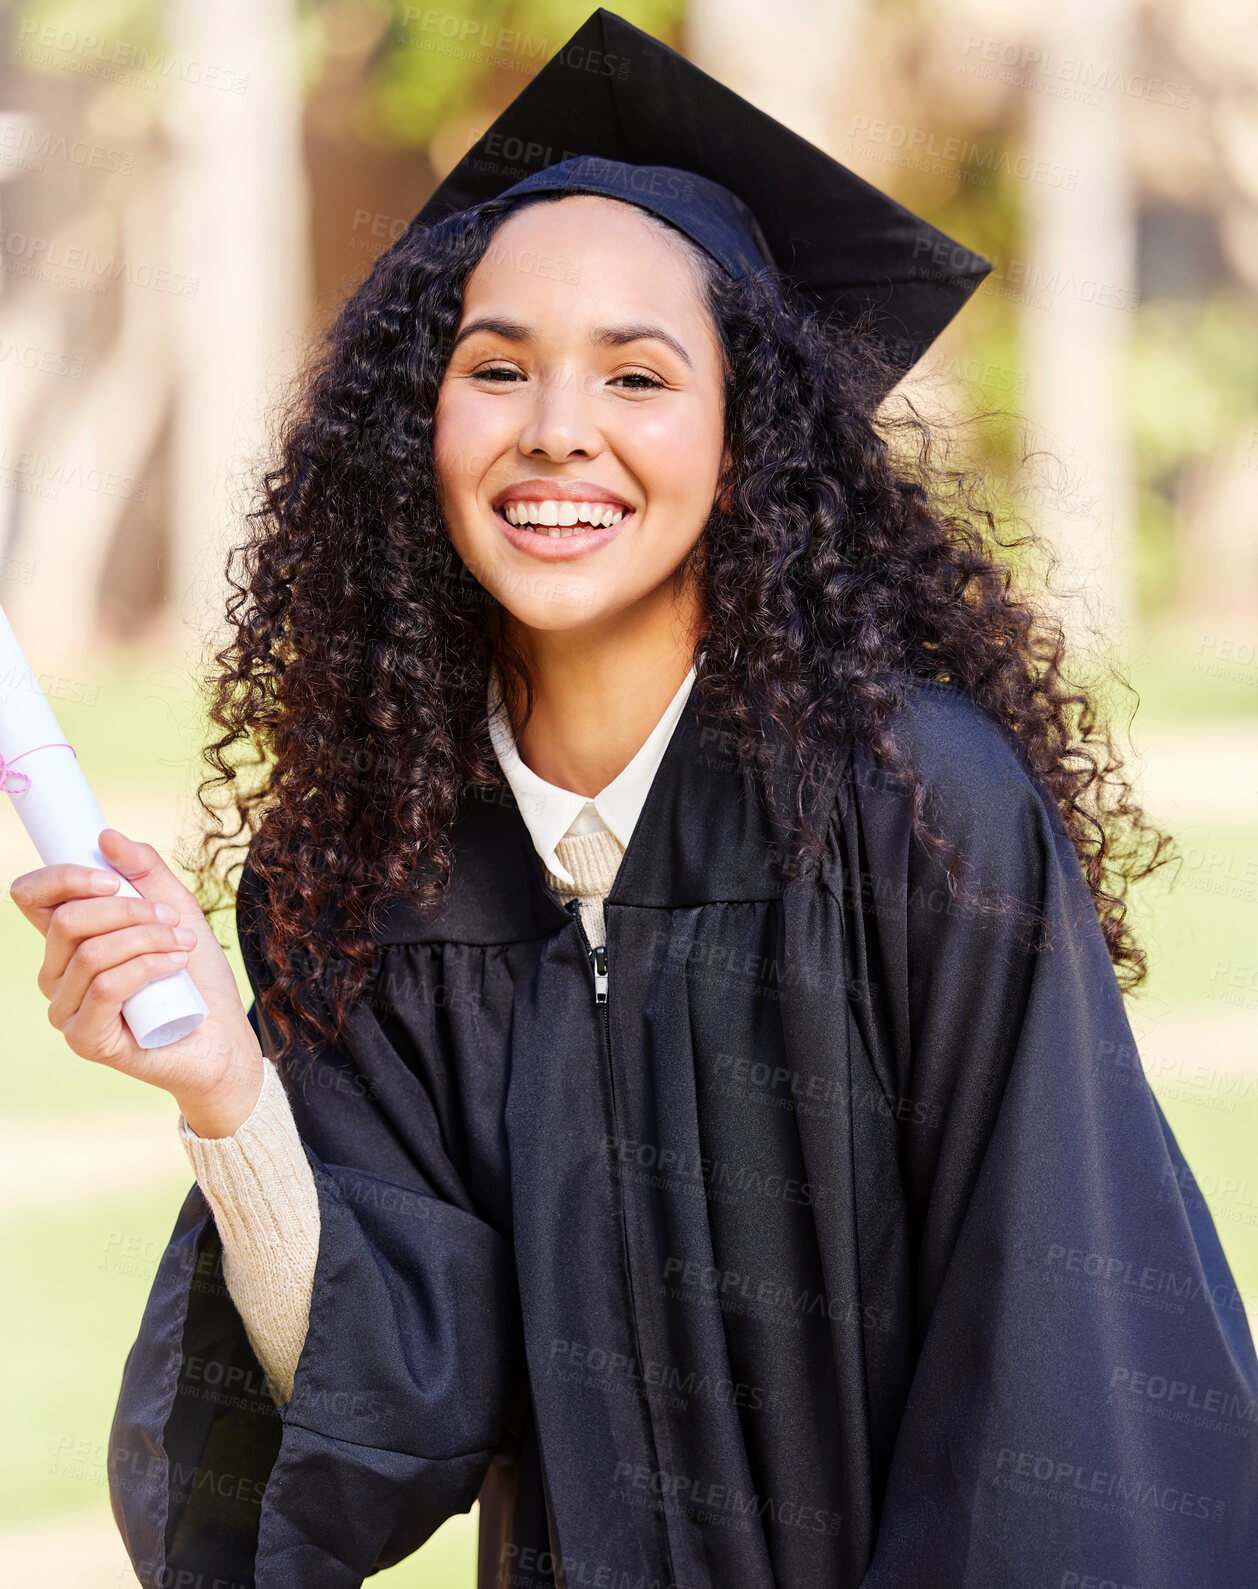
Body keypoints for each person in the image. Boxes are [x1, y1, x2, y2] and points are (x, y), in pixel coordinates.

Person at [10, 9, 1257, 1588]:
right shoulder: (382, 868)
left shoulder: (910, 809)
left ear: (750, 439)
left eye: (639, 372)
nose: (555, 429)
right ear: (420, 422)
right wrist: (227, 1087)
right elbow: (390, 1395)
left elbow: (1061, 1370)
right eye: (497, 365)